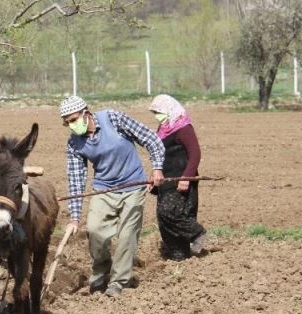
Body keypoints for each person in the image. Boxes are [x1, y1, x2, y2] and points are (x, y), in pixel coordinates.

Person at [59, 95, 165, 298]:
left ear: (86, 113)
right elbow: (76, 180)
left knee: (127, 235)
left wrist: (157, 168)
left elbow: (151, 139)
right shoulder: (75, 144)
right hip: (104, 189)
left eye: (73, 120)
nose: (71, 125)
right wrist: (74, 217)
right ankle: (101, 271)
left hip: (133, 185)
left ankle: (119, 281)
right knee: (94, 230)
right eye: (67, 123)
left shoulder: (113, 119)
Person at [148, 94, 207, 260]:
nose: (157, 116)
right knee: (163, 219)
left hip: (181, 178)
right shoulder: (162, 130)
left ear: (169, 109)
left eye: (159, 112)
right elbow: (158, 157)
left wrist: (186, 178)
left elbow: (195, 154)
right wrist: (153, 178)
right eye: (155, 113)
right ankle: (178, 255)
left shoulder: (183, 128)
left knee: (170, 211)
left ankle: (197, 233)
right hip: (165, 180)